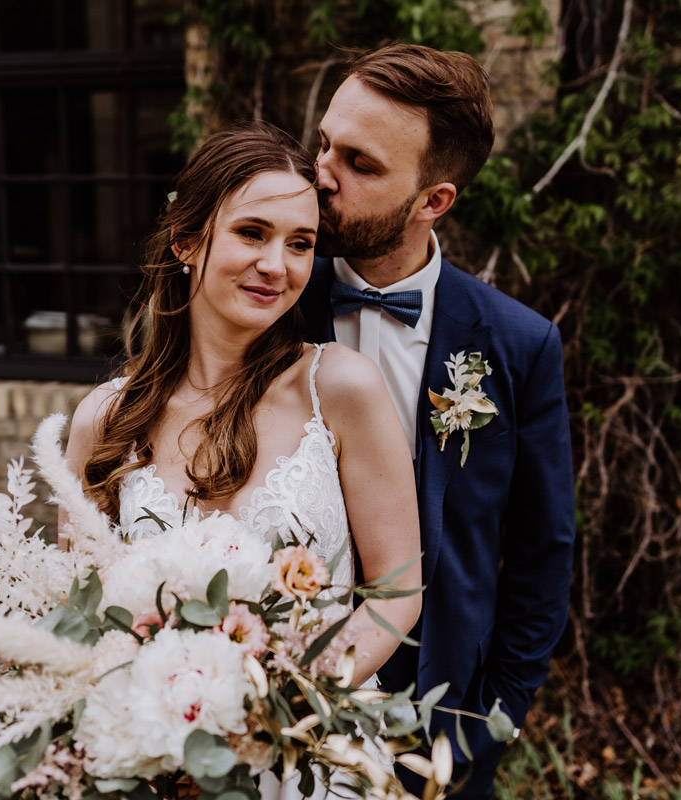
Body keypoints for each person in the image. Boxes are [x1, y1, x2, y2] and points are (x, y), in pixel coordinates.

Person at [62, 120, 422, 798]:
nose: (277, 266)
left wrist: (279, 710)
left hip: (314, 757)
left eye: (301, 244)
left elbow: (398, 590)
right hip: (157, 767)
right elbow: (80, 620)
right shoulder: (103, 421)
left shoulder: (341, 388)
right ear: (186, 240)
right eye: (252, 233)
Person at [298, 44, 576, 799]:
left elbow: (543, 549)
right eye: (324, 144)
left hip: (441, 732)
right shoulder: (269, 308)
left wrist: (499, 714)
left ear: (433, 201)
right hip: (280, 714)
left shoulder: (520, 345)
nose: (322, 173)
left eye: (360, 163)